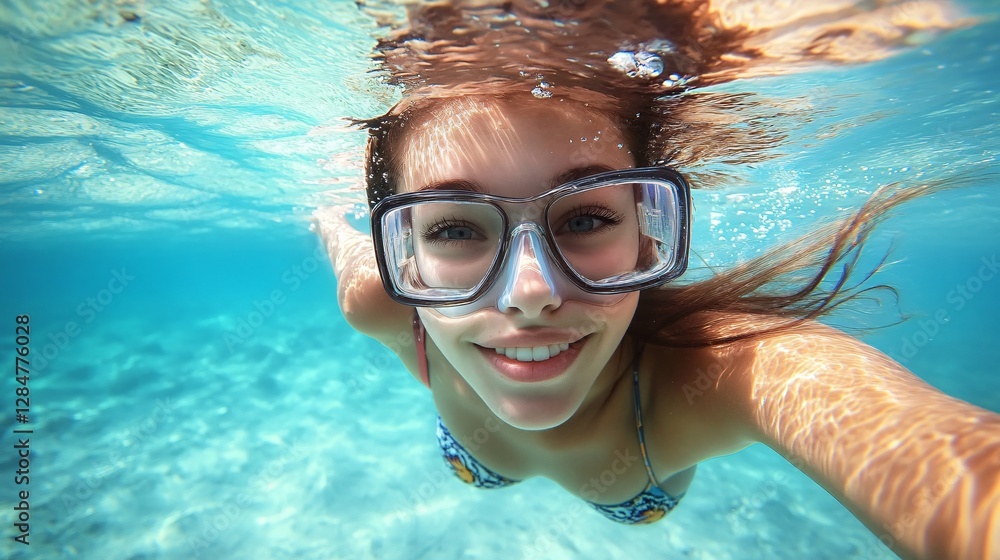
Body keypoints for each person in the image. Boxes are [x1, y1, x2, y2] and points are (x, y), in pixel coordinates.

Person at [315, 1, 998, 558]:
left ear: (647, 233)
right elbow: (341, 241)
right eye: (456, 229)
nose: (529, 293)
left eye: (584, 218)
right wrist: (317, 214)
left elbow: (944, 472)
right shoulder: (378, 300)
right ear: (404, 256)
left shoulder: (723, 373)